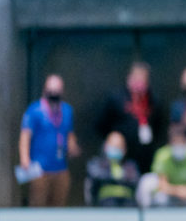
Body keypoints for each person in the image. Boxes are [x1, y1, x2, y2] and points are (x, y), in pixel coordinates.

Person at [19, 74, 80, 206]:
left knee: (59, 205)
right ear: (45, 90)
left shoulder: (67, 110)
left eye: (57, 91)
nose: (54, 94)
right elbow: (25, 136)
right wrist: (24, 158)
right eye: (51, 90)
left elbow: (69, 133)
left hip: (61, 168)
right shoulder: (34, 110)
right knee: (38, 204)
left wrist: (72, 145)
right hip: (39, 168)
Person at [98, 61, 163, 174]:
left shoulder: (153, 100)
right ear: (129, 78)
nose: (139, 82)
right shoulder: (116, 98)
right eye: (137, 77)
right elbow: (102, 125)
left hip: (145, 156)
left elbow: (158, 127)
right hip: (120, 156)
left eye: (143, 79)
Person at [150, 125, 186, 206]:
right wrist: (179, 191)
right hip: (171, 195)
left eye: (181, 142)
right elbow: (162, 186)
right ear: (170, 143)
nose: (179, 144)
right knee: (160, 198)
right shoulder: (162, 155)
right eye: (176, 142)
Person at [85, 131, 140, 207]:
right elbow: (94, 177)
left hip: (127, 202)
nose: (116, 149)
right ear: (105, 147)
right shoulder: (97, 163)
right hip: (106, 202)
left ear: (124, 149)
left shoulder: (130, 165)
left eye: (119, 146)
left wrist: (122, 173)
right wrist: (111, 173)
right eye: (113, 146)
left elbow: (135, 179)